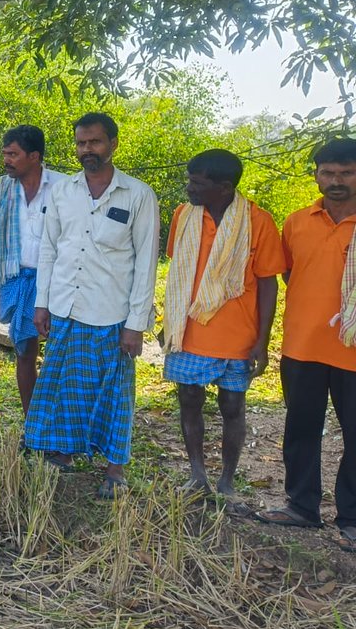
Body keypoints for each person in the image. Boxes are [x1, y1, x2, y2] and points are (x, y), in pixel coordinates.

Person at [25, 112, 159, 499]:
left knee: (113, 392)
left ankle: (114, 469)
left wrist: (136, 323)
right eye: (82, 143)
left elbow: (146, 262)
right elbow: (50, 250)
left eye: (95, 142)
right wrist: (42, 303)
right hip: (66, 306)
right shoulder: (63, 192)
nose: (88, 150)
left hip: (112, 314)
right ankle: (63, 454)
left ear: (113, 144)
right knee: (66, 386)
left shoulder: (137, 195)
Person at [162, 149, 283, 506]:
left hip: (238, 336)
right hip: (190, 332)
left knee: (232, 405)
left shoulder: (259, 221)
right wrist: (168, 323)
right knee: (189, 399)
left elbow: (268, 284)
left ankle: (227, 480)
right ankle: (197, 474)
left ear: (225, 187)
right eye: (190, 180)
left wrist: (262, 341)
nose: (189, 189)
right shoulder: (184, 216)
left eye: (197, 183)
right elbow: (178, 275)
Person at [257, 139, 356, 550]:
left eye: (347, 173)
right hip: (302, 346)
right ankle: (302, 506)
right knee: (300, 429)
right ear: (316, 174)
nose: (336, 181)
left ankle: (351, 517)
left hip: (352, 353)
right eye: (328, 173)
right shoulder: (297, 222)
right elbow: (289, 275)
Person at [0, 125, 66, 416]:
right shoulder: (3, 190)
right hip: (16, 279)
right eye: (5, 154)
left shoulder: (64, 188)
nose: (6, 160)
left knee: (60, 355)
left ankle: (57, 426)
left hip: (58, 281)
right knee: (24, 352)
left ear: (34, 156)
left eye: (13, 154)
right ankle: (33, 422)